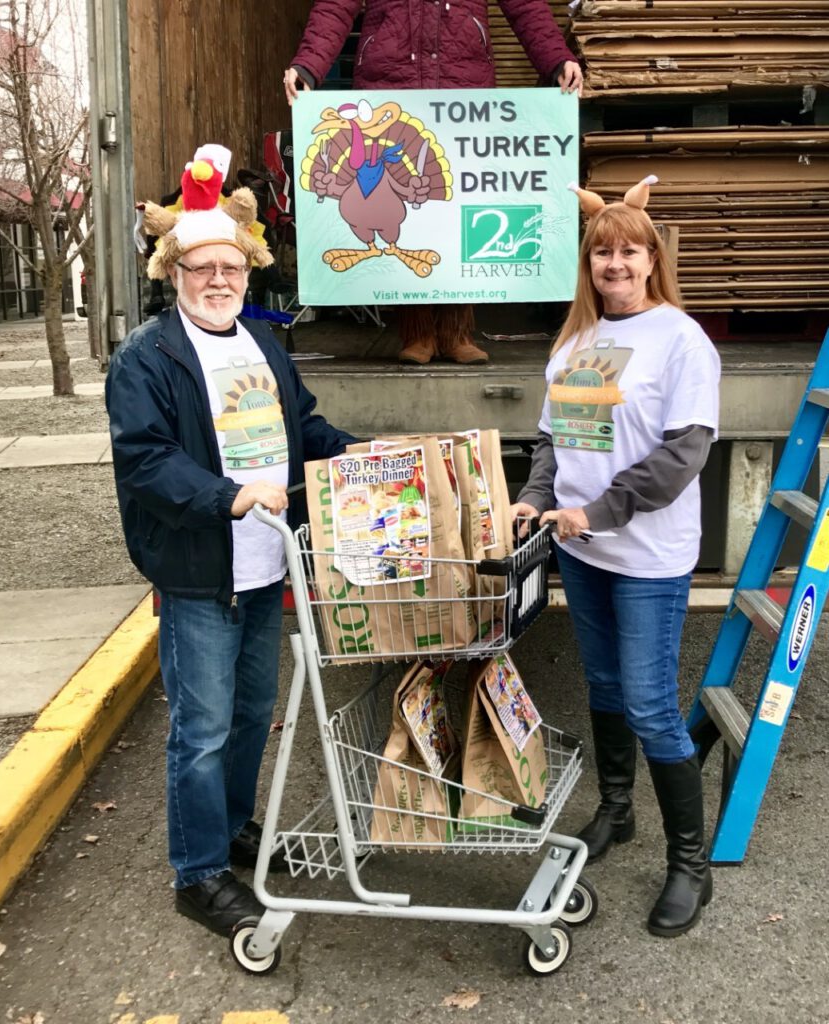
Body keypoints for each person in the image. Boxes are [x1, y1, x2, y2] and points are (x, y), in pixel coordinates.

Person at [106, 147, 356, 939]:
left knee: (252, 714)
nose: (218, 280)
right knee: (203, 729)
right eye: (200, 267)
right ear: (173, 272)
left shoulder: (262, 345)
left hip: (264, 565)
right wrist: (228, 494)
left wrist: (354, 456)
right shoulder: (145, 358)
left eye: (231, 267)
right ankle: (198, 872)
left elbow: (301, 427)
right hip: (199, 572)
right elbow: (146, 461)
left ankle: (234, 828)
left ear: (249, 272)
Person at [511, 175, 721, 938]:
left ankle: (688, 866)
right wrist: (536, 497)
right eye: (603, 252)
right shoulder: (576, 338)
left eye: (629, 251)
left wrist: (595, 513)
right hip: (581, 549)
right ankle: (617, 810)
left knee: (649, 706)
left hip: (646, 555)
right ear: (588, 263)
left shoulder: (680, 339)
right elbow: (551, 440)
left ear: (651, 258)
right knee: (602, 685)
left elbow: (681, 455)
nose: (616, 264)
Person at [283, 0, 583, 367]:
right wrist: (308, 66)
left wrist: (556, 59)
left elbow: (525, 7)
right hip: (390, 88)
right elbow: (335, 6)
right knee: (405, 216)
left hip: (465, 90)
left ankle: (458, 333)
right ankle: (417, 332)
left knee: (455, 214)